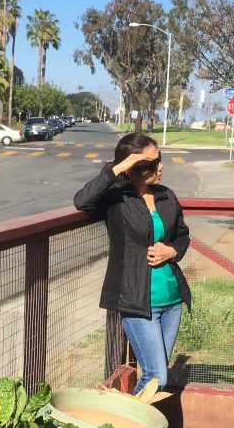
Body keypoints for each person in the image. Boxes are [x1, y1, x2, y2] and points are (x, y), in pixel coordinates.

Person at [74, 132, 191, 394]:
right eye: (150, 164)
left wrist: (171, 251)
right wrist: (117, 168)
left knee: (157, 375)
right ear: (133, 167)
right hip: (137, 300)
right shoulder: (117, 198)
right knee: (156, 377)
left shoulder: (166, 196)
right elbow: (81, 201)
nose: (160, 167)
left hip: (171, 299)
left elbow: (182, 236)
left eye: (159, 160)